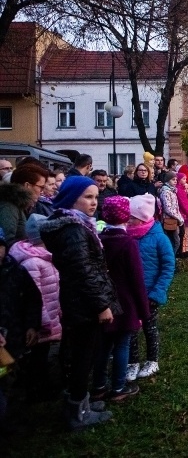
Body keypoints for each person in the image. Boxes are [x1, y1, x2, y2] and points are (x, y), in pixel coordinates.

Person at [39, 176, 117, 429]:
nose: (94, 202)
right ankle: (77, 411)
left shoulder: (77, 224)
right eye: (88, 197)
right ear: (72, 198)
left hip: (80, 300)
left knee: (87, 352)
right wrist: (101, 305)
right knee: (83, 356)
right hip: (83, 302)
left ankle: (80, 401)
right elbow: (82, 270)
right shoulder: (72, 229)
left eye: (96, 197)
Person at [92, 196, 149, 402]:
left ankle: (98, 385)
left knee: (103, 346)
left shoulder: (97, 239)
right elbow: (136, 279)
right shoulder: (128, 243)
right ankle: (118, 387)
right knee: (122, 345)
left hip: (103, 301)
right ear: (126, 216)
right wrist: (144, 311)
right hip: (125, 302)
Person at [8, 215, 61, 402]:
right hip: (40, 322)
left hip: (49, 315)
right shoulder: (32, 262)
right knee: (36, 359)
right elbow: (36, 297)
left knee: (43, 355)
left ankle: (41, 386)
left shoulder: (45, 256)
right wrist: (43, 322)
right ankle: (36, 391)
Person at [125, 194, 175, 382]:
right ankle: (132, 362)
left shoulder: (159, 238)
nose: (129, 220)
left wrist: (157, 292)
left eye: (132, 217)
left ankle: (152, 360)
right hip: (130, 294)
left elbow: (168, 266)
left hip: (150, 294)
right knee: (130, 329)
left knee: (149, 328)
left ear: (144, 216)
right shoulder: (127, 236)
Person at [0, 227, 42, 426]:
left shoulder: (15, 269)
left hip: (15, 335)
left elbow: (33, 298)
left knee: (14, 376)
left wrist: (32, 325)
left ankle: (14, 416)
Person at [0, 168, 38, 247]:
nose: (42, 190)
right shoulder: (9, 205)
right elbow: (7, 237)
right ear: (27, 185)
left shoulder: (17, 203)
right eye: (41, 187)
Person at [158, 171, 183, 256]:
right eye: (173, 179)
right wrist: (179, 218)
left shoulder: (172, 191)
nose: (175, 181)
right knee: (175, 242)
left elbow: (176, 207)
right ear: (167, 181)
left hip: (173, 219)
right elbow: (168, 208)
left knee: (176, 241)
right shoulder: (166, 192)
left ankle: (172, 260)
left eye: (176, 179)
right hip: (168, 219)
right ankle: (170, 260)